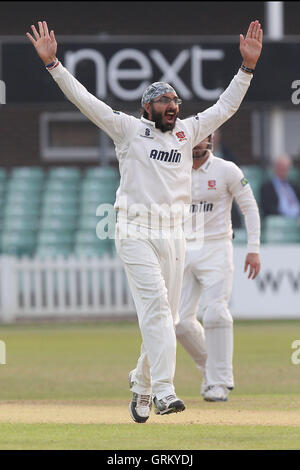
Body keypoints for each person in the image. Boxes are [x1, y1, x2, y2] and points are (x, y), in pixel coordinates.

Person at [26, 20, 263, 422]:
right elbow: (86, 101)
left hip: (175, 232)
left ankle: (141, 383)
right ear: (147, 107)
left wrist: (247, 69)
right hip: (135, 229)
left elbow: (225, 107)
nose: (172, 104)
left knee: (167, 319)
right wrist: (54, 66)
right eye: (163, 100)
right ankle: (165, 392)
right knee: (156, 308)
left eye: (175, 100)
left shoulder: (188, 133)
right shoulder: (129, 131)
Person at [176, 135, 261, 402]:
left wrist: (253, 249)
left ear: (212, 141)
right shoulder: (173, 169)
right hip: (182, 247)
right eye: (194, 137)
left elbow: (249, 208)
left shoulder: (227, 170)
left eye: (204, 138)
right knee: (178, 322)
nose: (198, 143)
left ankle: (220, 382)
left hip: (216, 246)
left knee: (215, 312)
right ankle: (209, 370)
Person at [260, 154, 300, 218]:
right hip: (279, 221)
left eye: (286, 167)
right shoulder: (267, 187)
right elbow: (268, 208)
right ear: (274, 168)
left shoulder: (295, 186)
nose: (283, 169)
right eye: (281, 167)